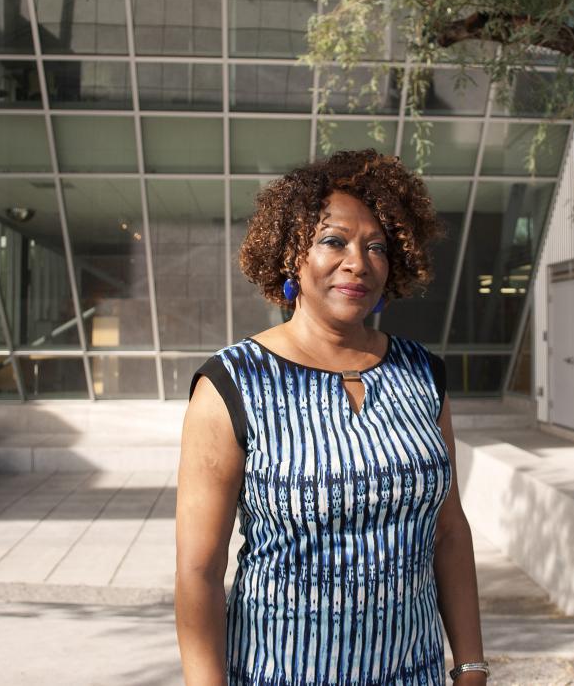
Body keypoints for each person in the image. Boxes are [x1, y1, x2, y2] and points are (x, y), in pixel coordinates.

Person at [175, 150, 488, 685]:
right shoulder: (233, 383)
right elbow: (199, 571)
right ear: (291, 253)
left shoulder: (422, 374)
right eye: (333, 241)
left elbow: (449, 531)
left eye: (376, 248)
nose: (357, 263)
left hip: (413, 674)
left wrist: (472, 665)